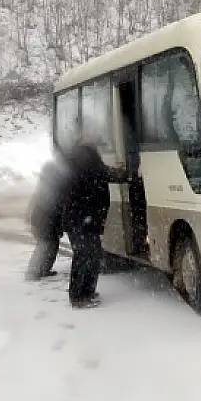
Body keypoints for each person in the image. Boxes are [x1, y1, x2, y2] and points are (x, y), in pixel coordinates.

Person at [57, 132, 130, 308]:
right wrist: (128, 173)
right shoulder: (85, 158)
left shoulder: (78, 158)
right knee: (85, 256)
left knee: (92, 255)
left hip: (82, 218)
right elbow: (105, 174)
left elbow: (101, 173)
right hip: (81, 219)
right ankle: (78, 297)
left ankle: (86, 291)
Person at [24, 157, 70, 281]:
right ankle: (33, 272)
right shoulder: (49, 188)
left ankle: (43, 269)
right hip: (45, 222)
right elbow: (53, 205)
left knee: (51, 245)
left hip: (46, 221)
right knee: (45, 245)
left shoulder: (46, 185)